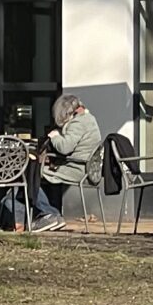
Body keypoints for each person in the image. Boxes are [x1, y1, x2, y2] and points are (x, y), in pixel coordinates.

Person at [35, 94, 102, 231]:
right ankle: (46, 214)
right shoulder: (89, 119)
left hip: (78, 169)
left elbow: (65, 147)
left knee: (33, 174)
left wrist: (55, 137)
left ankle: (51, 215)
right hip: (85, 167)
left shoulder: (78, 122)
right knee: (36, 174)